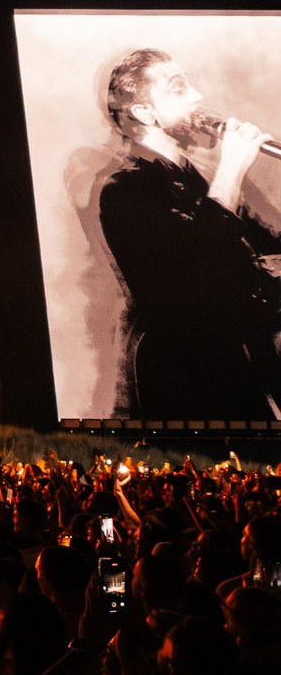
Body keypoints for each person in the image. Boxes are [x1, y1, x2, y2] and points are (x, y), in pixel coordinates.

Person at [94, 48, 281, 420]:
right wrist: (230, 171)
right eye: (178, 89)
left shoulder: (196, 178)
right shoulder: (124, 190)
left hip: (243, 372)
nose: (197, 96)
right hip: (192, 388)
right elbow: (193, 287)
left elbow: (261, 248)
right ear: (144, 113)